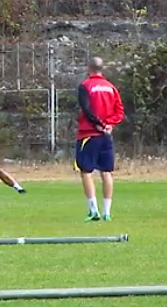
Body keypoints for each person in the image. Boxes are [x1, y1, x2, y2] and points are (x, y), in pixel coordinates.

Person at [74, 57, 124, 222]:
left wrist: (99, 124)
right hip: (106, 136)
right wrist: (109, 125)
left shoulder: (85, 86)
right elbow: (119, 111)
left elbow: (86, 109)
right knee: (106, 172)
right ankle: (107, 212)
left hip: (89, 134)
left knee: (86, 172)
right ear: (102, 69)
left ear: (89, 68)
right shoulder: (111, 87)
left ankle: (93, 210)